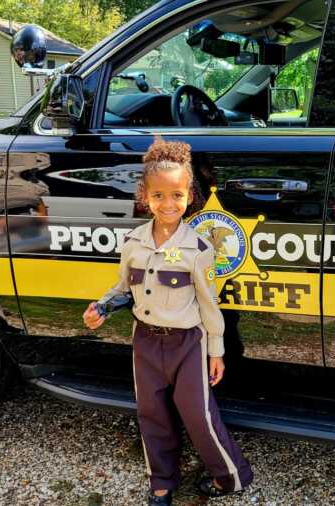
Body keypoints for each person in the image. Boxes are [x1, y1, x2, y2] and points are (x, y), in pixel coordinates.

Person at [82, 138, 253, 505]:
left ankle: (230, 476)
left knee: (199, 416)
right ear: (145, 196)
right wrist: (101, 307)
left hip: (187, 344)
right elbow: (122, 287)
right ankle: (161, 480)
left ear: (189, 195)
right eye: (159, 195)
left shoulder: (199, 249)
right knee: (151, 413)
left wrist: (216, 352)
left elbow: (210, 305)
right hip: (145, 342)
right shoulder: (132, 243)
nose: (168, 203)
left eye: (176, 195)